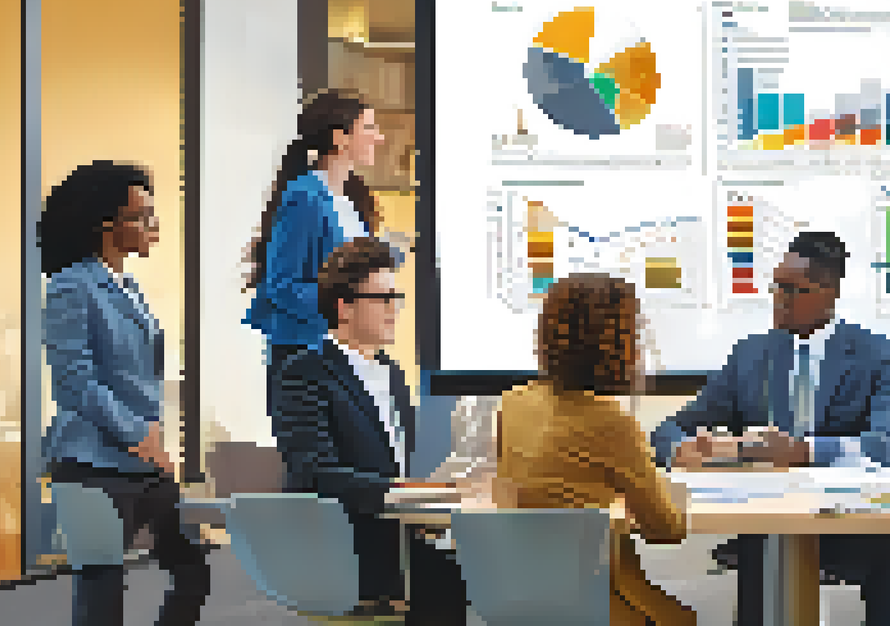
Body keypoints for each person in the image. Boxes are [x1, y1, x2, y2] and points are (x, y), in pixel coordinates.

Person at [649, 231, 890, 626]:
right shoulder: (751, 355)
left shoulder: (880, 355)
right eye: (776, 286)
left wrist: (804, 452)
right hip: (767, 516)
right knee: (764, 548)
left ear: (830, 293)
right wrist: (680, 450)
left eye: (793, 289)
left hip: (848, 517)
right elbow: (669, 429)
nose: (779, 298)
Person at [39, 161, 211, 626]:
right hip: (91, 462)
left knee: (192, 571)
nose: (153, 226)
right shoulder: (71, 286)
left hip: (142, 462)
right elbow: (73, 381)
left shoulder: (127, 286)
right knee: (102, 592)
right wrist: (137, 433)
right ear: (106, 224)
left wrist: (153, 440)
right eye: (141, 216)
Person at [272, 237, 467, 625]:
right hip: (348, 545)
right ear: (344, 307)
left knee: (464, 573)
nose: (395, 309)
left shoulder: (393, 374)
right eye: (383, 298)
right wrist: (404, 492)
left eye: (397, 297)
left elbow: (402, 462)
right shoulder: (304, 373)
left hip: (402, 538)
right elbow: (314, 472)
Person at [496, 273, 696, 626]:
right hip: (597, 604)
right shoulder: (612, 422)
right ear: (618, 347)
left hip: (529, 601)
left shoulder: (514, 402)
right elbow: (665, 529)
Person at [244, 89, 385, 417]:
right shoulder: (304, 198)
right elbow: (281, 286)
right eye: (369, 128)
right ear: (340, 138)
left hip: (343, 356)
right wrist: (344, 308)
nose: (379, 138)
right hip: (305, 357)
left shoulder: (350, 203)